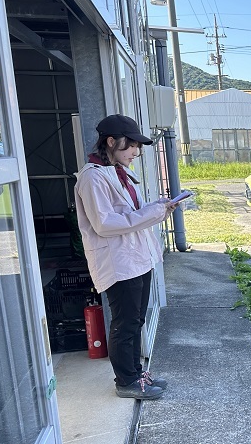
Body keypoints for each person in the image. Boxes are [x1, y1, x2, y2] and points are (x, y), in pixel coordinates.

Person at [74, 115, 176, 400]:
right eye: (130, 145)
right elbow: (105, 223)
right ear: (111, 142)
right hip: (118, 263)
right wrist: (153, 212)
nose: (136, 152)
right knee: (125, 323)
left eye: (137, 146)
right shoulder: (93, 177)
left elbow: (132, 212)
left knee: (136, 320)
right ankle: (126, 380)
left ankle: (136, 373)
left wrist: (159, 208)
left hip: (136, 258)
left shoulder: (117, 172)